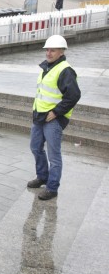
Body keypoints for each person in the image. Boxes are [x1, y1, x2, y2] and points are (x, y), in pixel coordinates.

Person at [27, 35, 81, 200]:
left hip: (53, 119)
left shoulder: (65, 70)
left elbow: (73, 95)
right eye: (47, 50)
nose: (49, 53)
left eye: (53, 50)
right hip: (40, 116)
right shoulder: (47, 67)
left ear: (61, 52)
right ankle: (42, 176)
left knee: (54, 155)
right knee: (35, 147)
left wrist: (56, 112)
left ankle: (52, 188)